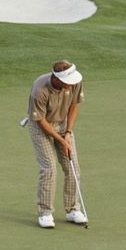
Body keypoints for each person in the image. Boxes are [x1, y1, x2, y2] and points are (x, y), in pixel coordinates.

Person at [26, 60, 88, 228]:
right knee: (49, 168)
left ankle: (73, 209)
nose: (72, 84)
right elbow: (41, 122)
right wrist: (60, 140)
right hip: (41, 125)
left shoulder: (74, 82)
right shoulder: (40, 90)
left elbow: (74, 106)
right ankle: (45, 213)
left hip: (62, 124)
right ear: (57, 79)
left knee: (72, 166)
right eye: (68, 82)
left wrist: (67, 132)